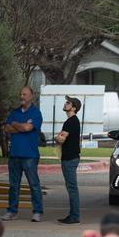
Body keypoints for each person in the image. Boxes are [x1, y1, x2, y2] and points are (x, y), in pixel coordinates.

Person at [2, 86, 44, 222]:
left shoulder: (36, 113)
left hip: (30, 155)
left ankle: (37, 212)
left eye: (25, 94)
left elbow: (28, 128)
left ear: (31, 96)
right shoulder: (14, 113)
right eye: (20, 94)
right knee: (13, 185)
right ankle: (12, 211)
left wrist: (15, 125)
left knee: (34, 185)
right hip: (14, 154)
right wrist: (21, 126)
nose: (22, 96)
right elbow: (7, 129)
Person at [55, 96, 82, 225]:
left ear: (74, 107)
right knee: (71, 187)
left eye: (68, 103)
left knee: (72, 188)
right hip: (70, 157)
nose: (65, 104)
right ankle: (73, 215)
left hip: (69, 159)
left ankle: (74, 216)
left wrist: (57, 136)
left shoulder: (70, 122)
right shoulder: (72, 121)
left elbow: (61, 139)